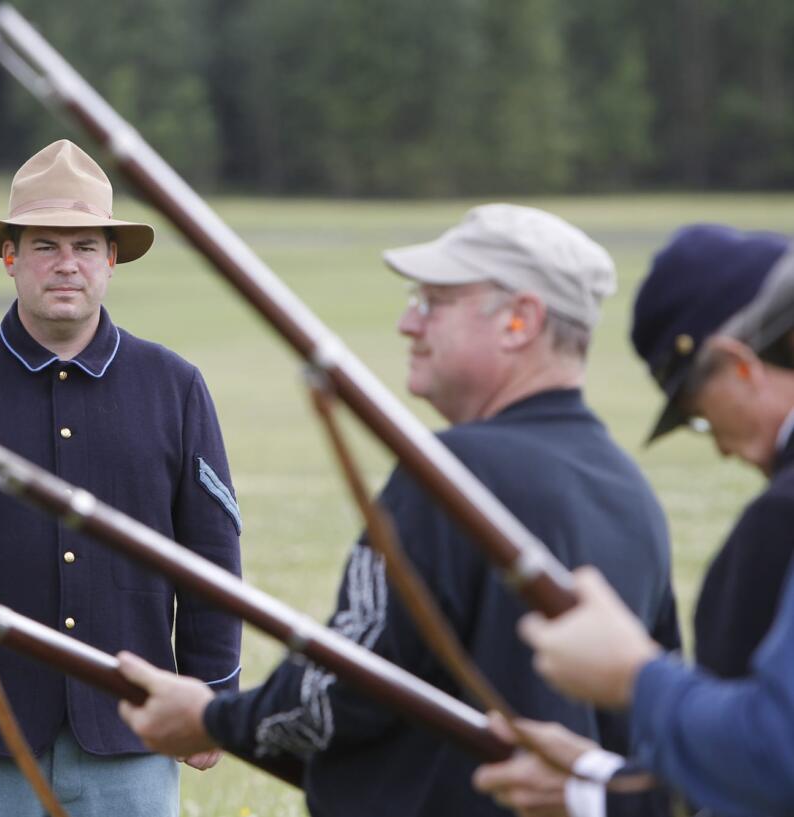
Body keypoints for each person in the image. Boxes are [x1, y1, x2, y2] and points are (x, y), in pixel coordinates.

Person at [117, 204, 681, 817]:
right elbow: (651, 728)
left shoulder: (455, 472)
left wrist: (211, 717)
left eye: (434, 302)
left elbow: (346, 683)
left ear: (520, 321)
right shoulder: (631, 491)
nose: (407, 324)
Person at [0, 139, 243, 817]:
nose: (67, 264)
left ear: (111, 260)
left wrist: (211, 689)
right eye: (45, 245)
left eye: (86, 246)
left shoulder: (175, 387)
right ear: (10, 258)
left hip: (133, 732)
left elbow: (212, 554)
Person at [473, 226, 794, 817]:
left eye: (699, 415)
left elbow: (774, 759)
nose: (721, 448)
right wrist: (600, 784)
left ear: (739, 366)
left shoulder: (779, 523)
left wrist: (636, 679)